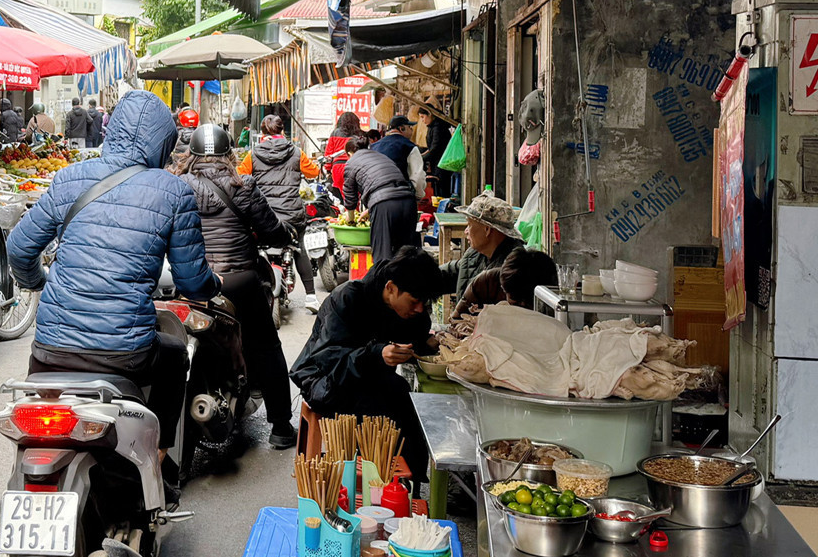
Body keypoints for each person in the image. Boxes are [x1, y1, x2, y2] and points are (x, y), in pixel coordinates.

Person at [7, 89, 217, 473]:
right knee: (173, 356)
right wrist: (212, 286)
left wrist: (38, 282)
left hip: (50, 349)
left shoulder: (69, 177)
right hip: (123, 354)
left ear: (113, 129)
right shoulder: (173, 191)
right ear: (164, 142)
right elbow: (191, 281)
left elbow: (19, 249)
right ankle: (159, 458)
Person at [182, 124, 295, 449]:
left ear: (192, 155)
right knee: (266, 345)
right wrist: (283, 233)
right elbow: (272, 230)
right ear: (228, 153)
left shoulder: (179, 185)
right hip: (239, 280)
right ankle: (281, 427)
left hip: (191, 282)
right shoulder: (242, 184)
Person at [290, 246, 448, 475]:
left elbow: (414, 335)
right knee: (380, 412)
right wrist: (377, 354)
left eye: (425, 303)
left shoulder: (406, 307)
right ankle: (372, 483)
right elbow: (330, 360)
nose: (420, 309)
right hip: (324, 380)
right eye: (414, 301)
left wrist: (426, 344)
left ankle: (408, 483)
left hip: (365, 376)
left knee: (406, 401)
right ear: (391, 288)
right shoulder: (347, 298)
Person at [239, 113, 318, 294]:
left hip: (263, 215)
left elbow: (240, 177)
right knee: (299, 248)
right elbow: (314, 172)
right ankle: (311, 296)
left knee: (250, 245)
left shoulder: (253, 154)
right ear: (282, 130)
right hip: (292, 214)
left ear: (262, 132)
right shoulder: (297, 152)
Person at [342, 119, 420, 263]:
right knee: (406, 256)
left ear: (350, 152)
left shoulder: (351, 163)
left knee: (382, 257)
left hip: (384, 205)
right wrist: (370, 210)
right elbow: (385, 184)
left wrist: (351, 219)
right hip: (408, 201)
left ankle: (383, 284)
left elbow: (350, 196)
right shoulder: (380, 156)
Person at [446, 246, 559, 330]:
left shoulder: (550, 300)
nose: (520, 308)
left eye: (527, 304)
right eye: (515, 303)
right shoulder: (486, 282)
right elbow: (455, 320)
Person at [452, 193, 524, 302]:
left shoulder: (511, 270)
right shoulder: (475, 254)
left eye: (469, 225)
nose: (466, 231)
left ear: (487, 230)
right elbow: (451, 272)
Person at [419, 104, 452, 201]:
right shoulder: (432, 126)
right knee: (438, 194)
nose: (422, 120)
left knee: (442, 194)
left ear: (430, 114)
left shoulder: (438, 127)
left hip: (442, 165)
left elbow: (435, 149)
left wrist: (421, 158)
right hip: (437, 164)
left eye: (423, 117)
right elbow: (430, 148)